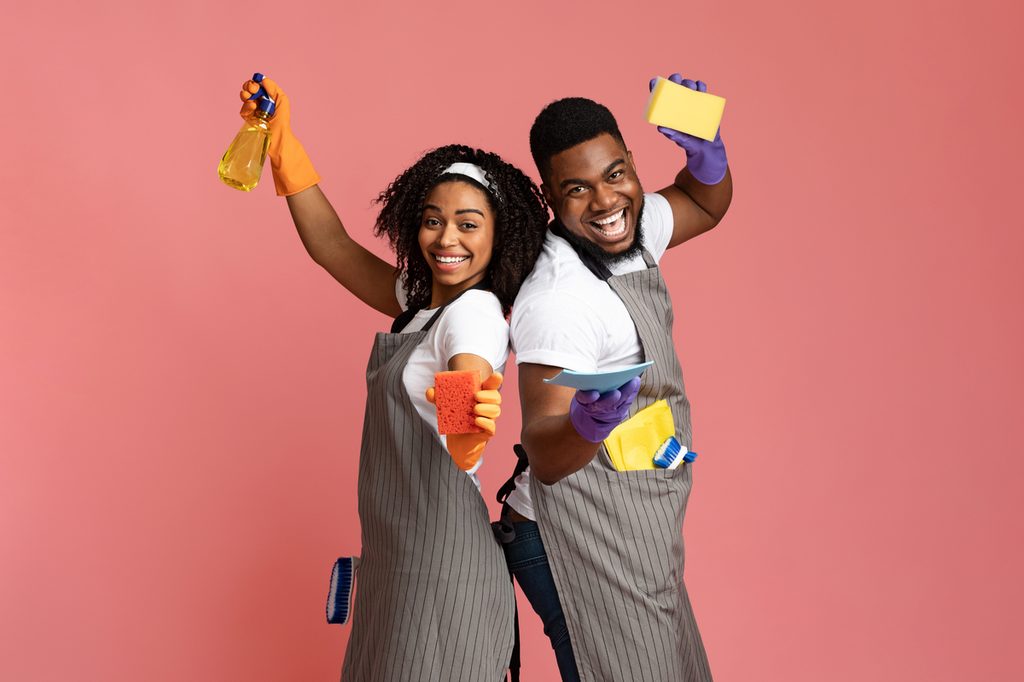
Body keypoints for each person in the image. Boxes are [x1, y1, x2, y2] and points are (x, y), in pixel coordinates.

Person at [236, 76, 549, 681]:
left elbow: (471, 368)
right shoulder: (420, 302)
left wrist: (466, 426)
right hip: (396, 560)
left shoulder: (474, 312)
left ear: (498, 235)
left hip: (442, 566)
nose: (446, 239)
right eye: (433, 221)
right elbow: (333, 248)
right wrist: (283, 147)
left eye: (467, 224)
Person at [495, 74, 732, 682]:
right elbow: (545, 451)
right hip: (569, 532)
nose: (604, 202)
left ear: (630, 163)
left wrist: (707, 156)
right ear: (550, 195)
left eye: (615, 175)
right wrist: (584, 421)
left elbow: (704, 204)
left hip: (634, 521)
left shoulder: (631, 228)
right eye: (578, 189)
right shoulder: (558, 300)